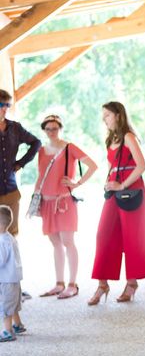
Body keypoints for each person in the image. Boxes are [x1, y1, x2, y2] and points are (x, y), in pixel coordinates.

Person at [88, 102, 145, 306]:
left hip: (131, 190)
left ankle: (132, 283)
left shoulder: (129, 137)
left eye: (107, 115)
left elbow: (142, 166)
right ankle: (102, 284)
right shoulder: (110, 140)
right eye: (103, 115)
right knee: (103, 235)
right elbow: (112, 166)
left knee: (131, 237)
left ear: (118, 115)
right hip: (114, 190)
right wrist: (110, 185)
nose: (104, 119)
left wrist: (122, 185)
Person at [36, 114, 98, 300]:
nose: (51, 132)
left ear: (60, 129)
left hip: (64, 202)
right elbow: (41, 176)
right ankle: (59, 283)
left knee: (67, 241)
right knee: (55, 243)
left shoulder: (69, 148)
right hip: (46, 202)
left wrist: (76, 183)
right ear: (44, 130)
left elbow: (93, 166)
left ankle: (72, 284)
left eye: (55, 128)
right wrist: (37, 200)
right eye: (48, 129)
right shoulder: (41, 150)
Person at [0, 89, 41, 236]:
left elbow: (36, 143)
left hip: (11, 190)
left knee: (11, 234)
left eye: (7, 105)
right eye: (1, 104)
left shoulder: (15, 128)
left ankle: (12, 260)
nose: (4, 108)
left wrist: (20, 163)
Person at [0, 205, 26, 342]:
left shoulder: (2, 241)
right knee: (13, 304)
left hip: (6, 280)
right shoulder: (10, 237)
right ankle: (17, 325)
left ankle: (7, 331)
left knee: (5, 306)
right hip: (14, 278)